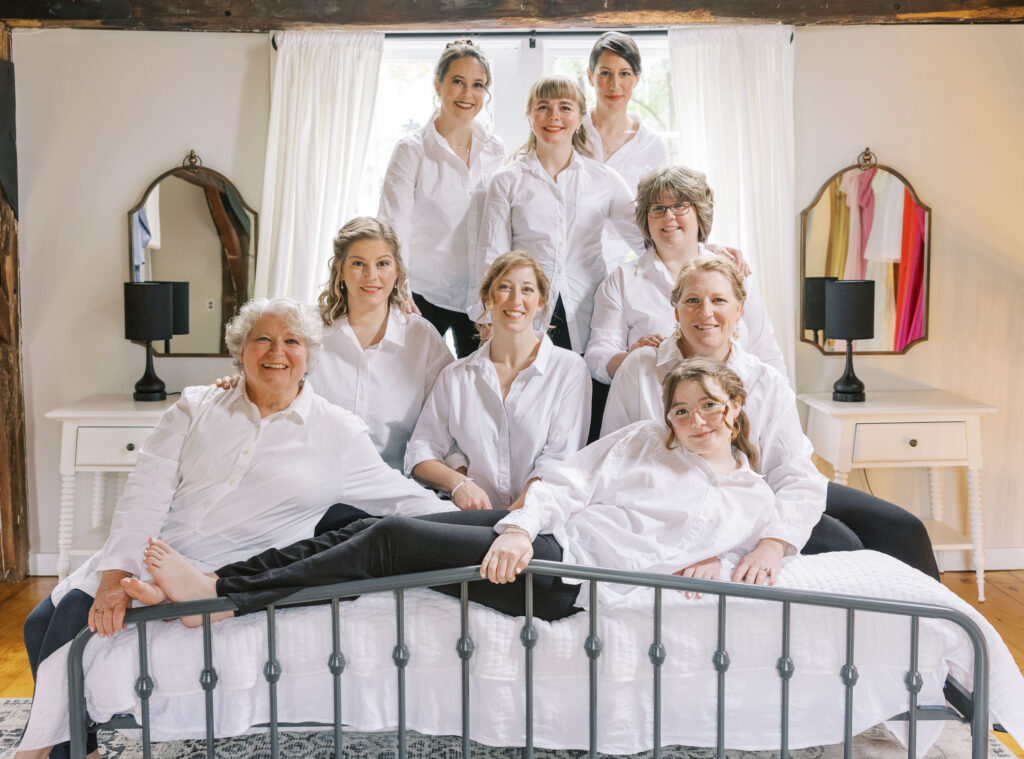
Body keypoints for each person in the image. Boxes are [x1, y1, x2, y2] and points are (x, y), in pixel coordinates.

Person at [16, 298, 455, 759]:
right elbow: (144, 493)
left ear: (310, 355)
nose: (276, 352)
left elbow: (405, 499)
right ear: (240, 350)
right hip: (154, 550)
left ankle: (39, 751)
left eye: (292, 341)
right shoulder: (194, 406)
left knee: (63, 623)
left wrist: (497, 526)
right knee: (38, 623)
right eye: (262, 339)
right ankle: (77, 752)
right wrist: (112, 576)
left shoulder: (338, 432)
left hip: (219, 573)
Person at [121, 357, 784, 624]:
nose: (696, 421)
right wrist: (520, 525)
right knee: (354, 522)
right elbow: (567, 481)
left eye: (709, 407)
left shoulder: (753, 497)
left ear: (737, 405)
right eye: (682, 409)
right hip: (543, 537)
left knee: (389, 538)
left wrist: (724, 562)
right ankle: (215, 580)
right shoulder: (645, 439)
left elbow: (766, 552)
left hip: (569, 577)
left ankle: (226, 599)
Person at [603, 255, 941, 579]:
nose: (705, 313)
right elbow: (615, 461)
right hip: (682, 503)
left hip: (765, 489)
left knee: (904, 530)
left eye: (719, 300)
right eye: (692, 301)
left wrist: (773, 544)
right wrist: (701, 540)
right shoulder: (640, 369)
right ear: (676, 311)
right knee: (847, 545)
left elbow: (795, 474)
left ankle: (943, 633)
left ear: (740, 309)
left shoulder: (765, 381)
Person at [470, 75, 642, 356]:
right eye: (543, 107)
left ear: (580, 117)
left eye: (565, 107)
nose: (554, 116)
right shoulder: (506, 180)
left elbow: (647, 239)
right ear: (529, 116)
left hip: (589, 313)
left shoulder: (605, 179)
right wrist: (488, 319)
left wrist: (702, 250)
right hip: (524, 313)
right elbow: (493, 257)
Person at [405, 251, 591, 510]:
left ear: (540, 302)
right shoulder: (456, 375)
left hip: (537, 522)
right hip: (468, 520)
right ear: (488, 299)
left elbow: (558, 462)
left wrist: (509, 521)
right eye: (504, 287)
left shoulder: (569, 369)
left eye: (527, 290)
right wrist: (459, 484)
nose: (516, 300)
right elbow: (420, 452)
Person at [585, 166, 785, 385]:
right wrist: (634, 359)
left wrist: (781, 407)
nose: (668, 216)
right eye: (658, 208)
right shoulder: (622, 281)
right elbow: (596, 358)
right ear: (646, 219)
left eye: (680, 206)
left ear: (699, 212)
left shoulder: (733, 270)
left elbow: (766, 352)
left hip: (737, 408)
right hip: (656, 409)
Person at [378, 39, 505, 357]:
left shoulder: (495, 150)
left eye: (478, 85)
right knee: (412, 388)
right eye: (458, 82)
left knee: (477, 392)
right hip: (421, 297)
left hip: (478, 301)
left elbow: (499, 226)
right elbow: (394, 225)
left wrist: (496, 296)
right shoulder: (412, 150)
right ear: (438, 85)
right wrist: (398, 288)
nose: (467, 94)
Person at [308, 217, 453, 472]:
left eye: (382, 263)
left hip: (391, 490)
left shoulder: (422, 339)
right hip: (314, 484)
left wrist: (459, 481)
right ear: (340, 270)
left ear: (396, 270)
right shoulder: (306, 330)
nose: (371, 276)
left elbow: (451, 420)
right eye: (358, 264)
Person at [581, 31, 669, 268]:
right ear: (590, 76)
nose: (614, 85)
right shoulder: (570, 131)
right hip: (568, 268)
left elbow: (662, 214)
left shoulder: (652, 146)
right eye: (605, 73)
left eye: (624, 74)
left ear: (637, 79)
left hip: (624, 267)